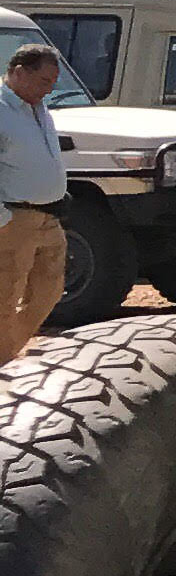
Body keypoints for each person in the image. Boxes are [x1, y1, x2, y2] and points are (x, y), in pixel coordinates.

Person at [3, 43, 76, 365]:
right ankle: (4, 361)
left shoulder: (39, 108)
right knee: (6, 294)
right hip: (13, 217)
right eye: (44, 81)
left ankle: (8, 351)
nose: (49, 89)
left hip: (48, 215)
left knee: (50, 289)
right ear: (20, 72)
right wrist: (2, 219)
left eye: (53, 82)